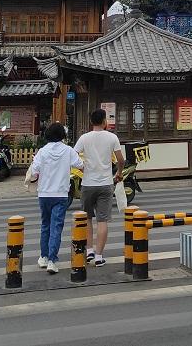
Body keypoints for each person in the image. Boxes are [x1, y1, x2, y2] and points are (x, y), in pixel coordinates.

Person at [74, 108, 125, 267]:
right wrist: (119, 173)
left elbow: (73, 155)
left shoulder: (84, 138)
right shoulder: (112, 137)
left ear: (91, 121)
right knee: (102, 220)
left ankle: (89, 250)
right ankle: (98, 256)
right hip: (105, 183)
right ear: (104, 121)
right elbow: (121, 160)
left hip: (88, 184)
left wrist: (83, 167)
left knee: (87, 218)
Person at [29, 122, 81, 274]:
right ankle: (52, 260)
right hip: (61, 194)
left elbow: (34, 171)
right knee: (56, 227)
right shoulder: (68, 150)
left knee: (45, 225)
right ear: (62, 135)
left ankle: (43, 257)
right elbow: (80, 164)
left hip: (44, 193)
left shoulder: (42, 151)